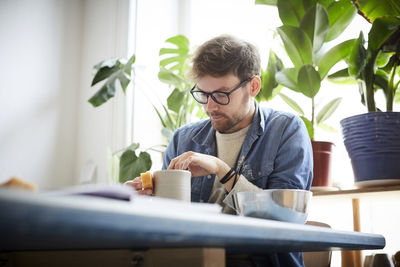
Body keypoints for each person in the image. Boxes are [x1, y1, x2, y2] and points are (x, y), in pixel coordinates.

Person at [126, 35, 313, 267]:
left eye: (221, 95)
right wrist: (138, 201)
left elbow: (286, 220)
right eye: (203, 94)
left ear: (253, 87)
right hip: (192, 259)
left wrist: (222, 170)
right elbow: (167, 221)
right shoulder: (183, 139)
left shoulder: (285, 130)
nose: (209, 106)